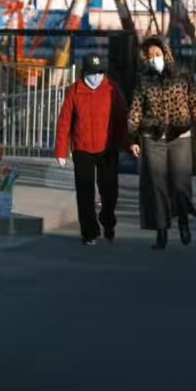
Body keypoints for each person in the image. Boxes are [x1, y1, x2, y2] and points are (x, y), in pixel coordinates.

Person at [126, 34, 196, 249]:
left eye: (157, 54)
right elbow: (136, 109)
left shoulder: (183, 74)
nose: (154, 58)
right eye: (150, 56)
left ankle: (183, 220)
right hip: (152, 137)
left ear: (166, 53)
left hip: (180, 135)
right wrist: (133, 137)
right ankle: (161, 231)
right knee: (156, 186)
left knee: (180, 184)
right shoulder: (143, 78)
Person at [55, 51, 128, 246]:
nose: (96, 77)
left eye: (99, 72)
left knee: (109, 190)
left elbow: (122, 117)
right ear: (84, 73)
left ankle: (108, 221)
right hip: (82, 148)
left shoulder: (112, 88)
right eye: (92, 73)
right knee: (85, 193)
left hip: (107, 148)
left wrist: (126, 143)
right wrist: (61, 150)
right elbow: (64, 122)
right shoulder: (75, 90)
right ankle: (89, 232)